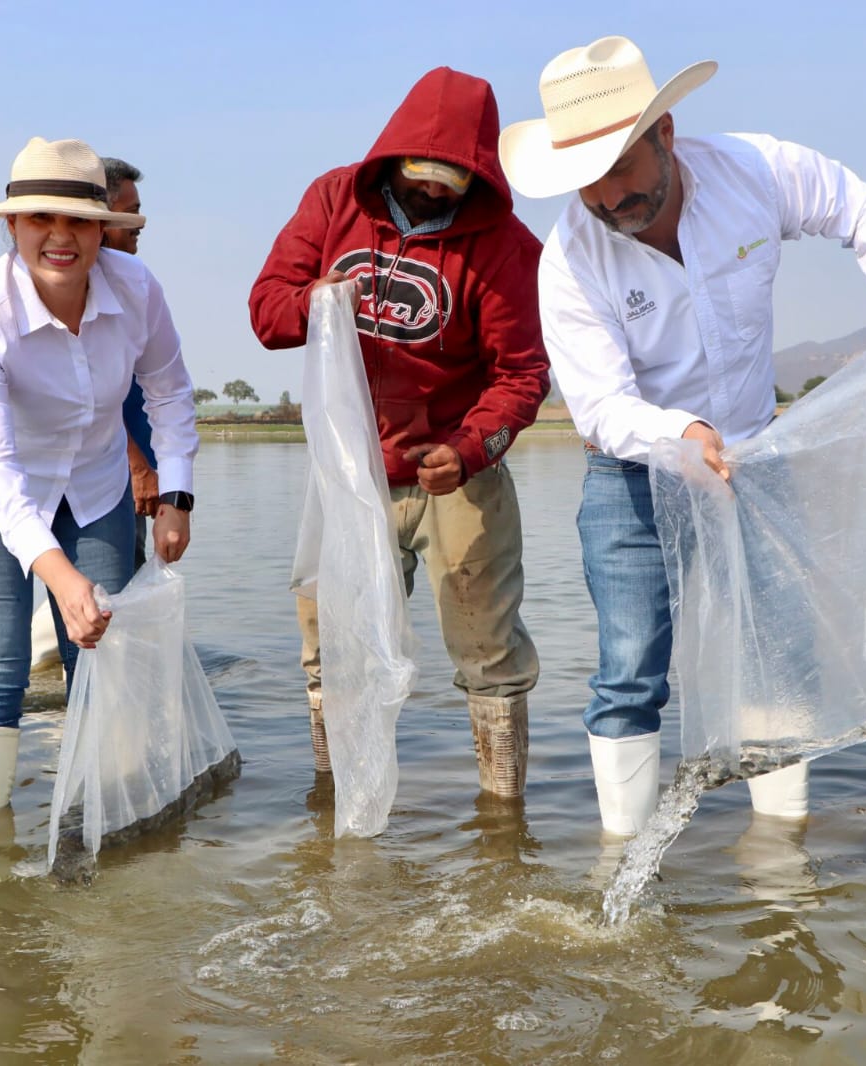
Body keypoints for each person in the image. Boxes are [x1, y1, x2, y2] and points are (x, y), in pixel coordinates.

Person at [499, 35, 866, 834]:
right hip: (633, 475)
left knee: (781, 655)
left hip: (758, 460)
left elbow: (862, 206)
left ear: (666, 133)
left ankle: (779, 859)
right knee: (630, 671)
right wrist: (681, 432)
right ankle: (621, 859)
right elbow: (598, 405)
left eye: (623, 165)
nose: (607, 193)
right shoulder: (569, 259)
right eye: (586, 177)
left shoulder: (753, 171)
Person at [249, 67, 549, 798]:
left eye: (454, 177)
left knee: (489, 653)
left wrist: (472, 448)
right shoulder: (332, 200)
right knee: (330, 650)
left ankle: (501, 820)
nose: (436, 191)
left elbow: (524, 376)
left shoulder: (508, 246)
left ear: (479, 172)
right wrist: (320, 302)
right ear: (395, 156)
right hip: (348, 476)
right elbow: (266, 314)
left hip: (456, 476)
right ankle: (336, 803)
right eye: (422, 172)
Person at [0, 137, 199, 815]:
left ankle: (102, 823)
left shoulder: (137, 290)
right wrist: (61, 576)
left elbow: (168, 392)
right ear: (10, 226)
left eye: (78, 221)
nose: (59, 237)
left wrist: (176, 495)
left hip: (95, 483)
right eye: (40, 220)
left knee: (103, 654)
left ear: (103, 230)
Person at [101, 156, 160, 568]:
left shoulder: (132, 286)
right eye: (130, 214)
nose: (141, 224)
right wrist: (136, 466)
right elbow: (94, 396)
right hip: (110, 474)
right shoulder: (88, 296)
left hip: (129, 474)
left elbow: (166, 386)